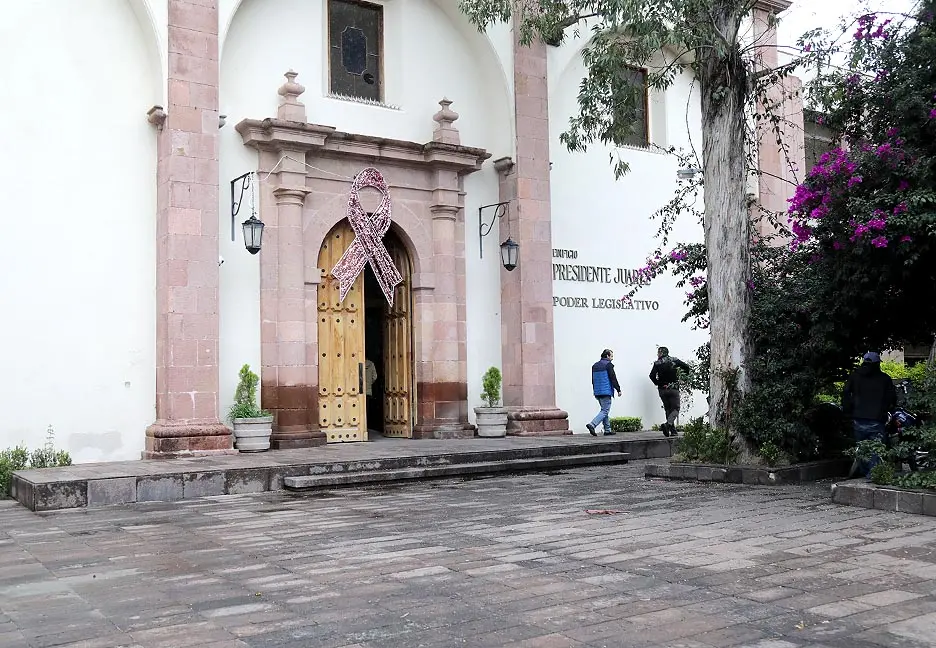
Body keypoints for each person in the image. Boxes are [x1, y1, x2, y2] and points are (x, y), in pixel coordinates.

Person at [842, 351, 897, 478]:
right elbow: (892, 398)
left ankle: (864, 471)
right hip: (877, 419)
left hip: (858, 418)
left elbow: (846, 394)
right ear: (877, 364)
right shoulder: (885, 379)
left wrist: (848, 412)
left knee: (861, 447)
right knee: (876, 449)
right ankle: (873, 474)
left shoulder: (854, 376)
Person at [649, 346, 691, 437]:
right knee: (676, 408)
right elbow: (686, 367)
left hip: (662, 390)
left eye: (658, 353)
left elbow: (652, 375)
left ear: (660, 353)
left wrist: (659, 383)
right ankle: (668, 425)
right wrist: (684, 378)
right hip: (673, 388)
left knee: (667, 409)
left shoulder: (657, 363)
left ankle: (673, 431)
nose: (657, 354)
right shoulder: (674, 360)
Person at [587, 349, 621, 436]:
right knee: (605, 410)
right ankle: (592, 424)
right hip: (606, 391)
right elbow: (613, 378)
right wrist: (618, 389)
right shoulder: (608, 365)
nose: (612, 358)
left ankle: (607, 430)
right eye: (611, 356)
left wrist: (595, 390)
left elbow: (593, 380)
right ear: (607, 356)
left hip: (598, 391)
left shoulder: (594, 366)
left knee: (604, 410)